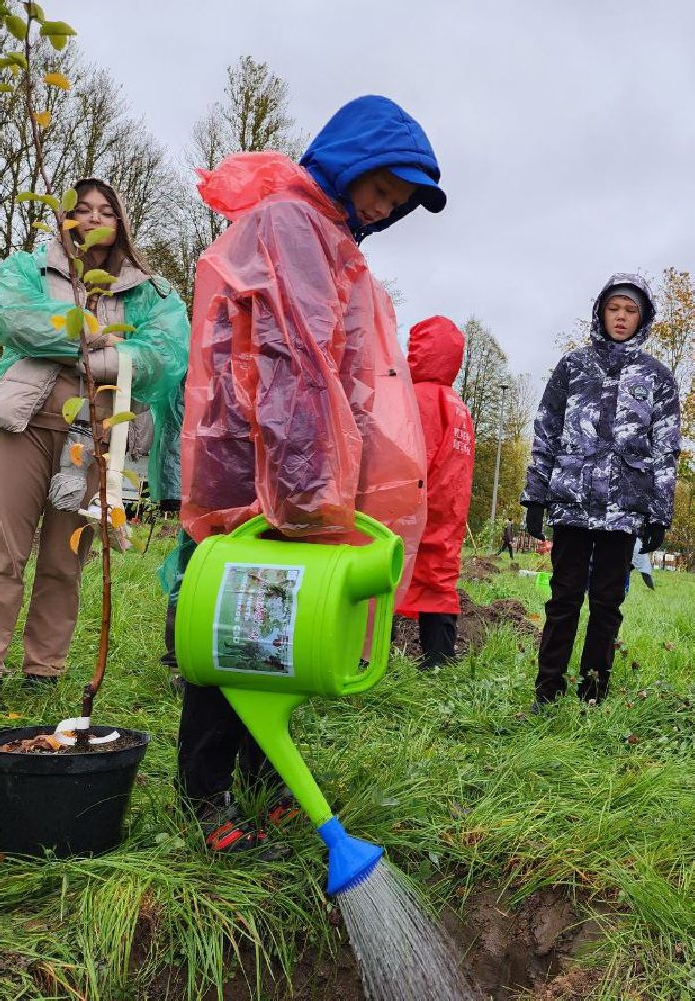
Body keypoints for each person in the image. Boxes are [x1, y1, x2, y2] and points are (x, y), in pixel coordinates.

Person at [174, 95, 440, 854]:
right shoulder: (292, 225)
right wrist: (306, 476)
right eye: (383, 190)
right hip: (260, 459)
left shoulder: (319, 232)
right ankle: (205, 790)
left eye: (398, 204)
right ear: (350, 164)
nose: (386, 211)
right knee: (230, 625)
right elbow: (295, 361)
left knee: (274, 626)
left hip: (292, 457)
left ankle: (263, 777)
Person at [0, 178, 190, 711]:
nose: (92, 217)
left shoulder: (152, 293)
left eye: (106, 208)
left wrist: (84, 349)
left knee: (66, 559)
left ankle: (43, 670)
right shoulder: (27, 269)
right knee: (1, 551)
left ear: (122, 220)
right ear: (65, 218)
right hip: (24, 422)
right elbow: (18, 323)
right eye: (80, 208)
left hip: (96, 435)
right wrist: (105, 338)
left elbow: (162, 356)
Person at [523, 274, 680, 708]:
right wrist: (535, 496)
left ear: (643, 318)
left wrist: (658, 513)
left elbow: (666, 448)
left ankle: (593, 692)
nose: (622, 318)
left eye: (631, 311)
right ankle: (547, 691)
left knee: (608, 603)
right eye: (615, 309)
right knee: (564, 597)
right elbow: (547, 430)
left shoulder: (657, 378)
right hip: (571, 500)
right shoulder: (572, 367)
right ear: (601, 311)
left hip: (624, 506)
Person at [397, 316, 475, 670]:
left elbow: (408, 456)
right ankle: (439, 656)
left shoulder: (417, 399)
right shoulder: (458, 405)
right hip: (450, 505)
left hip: (417, 502)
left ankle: (368, 654)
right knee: (440, 575)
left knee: (390, 571)